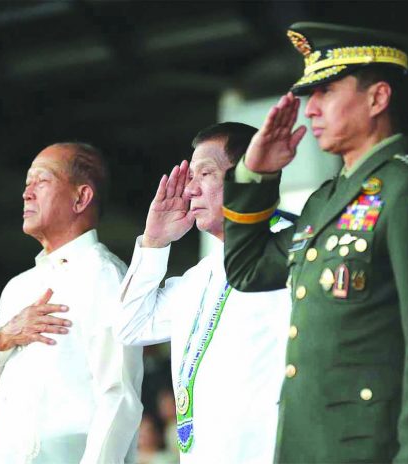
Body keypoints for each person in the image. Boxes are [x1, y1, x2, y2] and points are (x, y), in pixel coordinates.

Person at [222, 23, 408, 462]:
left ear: (377, 98)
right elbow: (247, 269)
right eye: (309, 95)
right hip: (307, 445)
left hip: (371, 449)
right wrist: (255, 175)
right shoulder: (325, 201)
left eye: (327, 91)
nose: (310, 109)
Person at [114, 123, 291, 463]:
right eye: (190, 176)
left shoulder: (295, 248)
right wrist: (154, 242)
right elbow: (130, 326)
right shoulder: (200, 276)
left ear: (247, 175)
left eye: (205, 174)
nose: (190, 190)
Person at [0, 142, 143, 463]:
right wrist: (4, 338)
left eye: (41, 182)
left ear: (81, 197)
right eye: (27, 184)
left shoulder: (103, 275)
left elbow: (120, 396)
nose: (26, 194)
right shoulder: (19, 287)